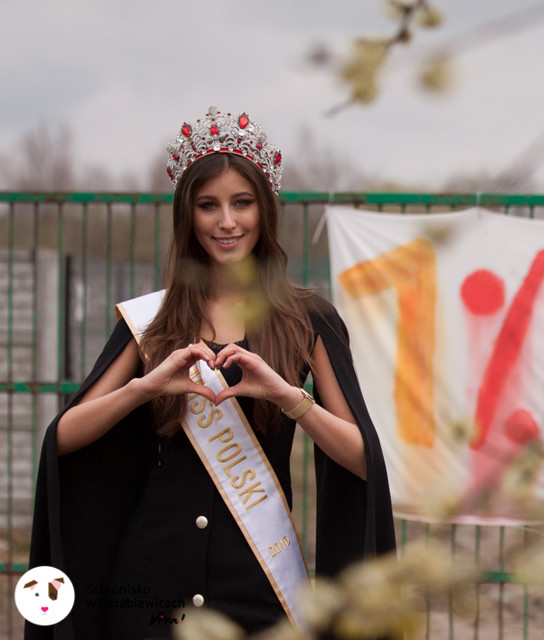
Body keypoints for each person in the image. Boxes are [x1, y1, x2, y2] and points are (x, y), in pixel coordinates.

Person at [27, 106, 396, 639]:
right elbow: (62, 440)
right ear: (188, 216)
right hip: (149, 591)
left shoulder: (307, 318)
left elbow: (364, 461)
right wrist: (145, 387)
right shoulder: (150, 321)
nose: (227, 221)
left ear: (264, 211)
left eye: (242, 203)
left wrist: (289, 397)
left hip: (259, 587)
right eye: (208, 205)